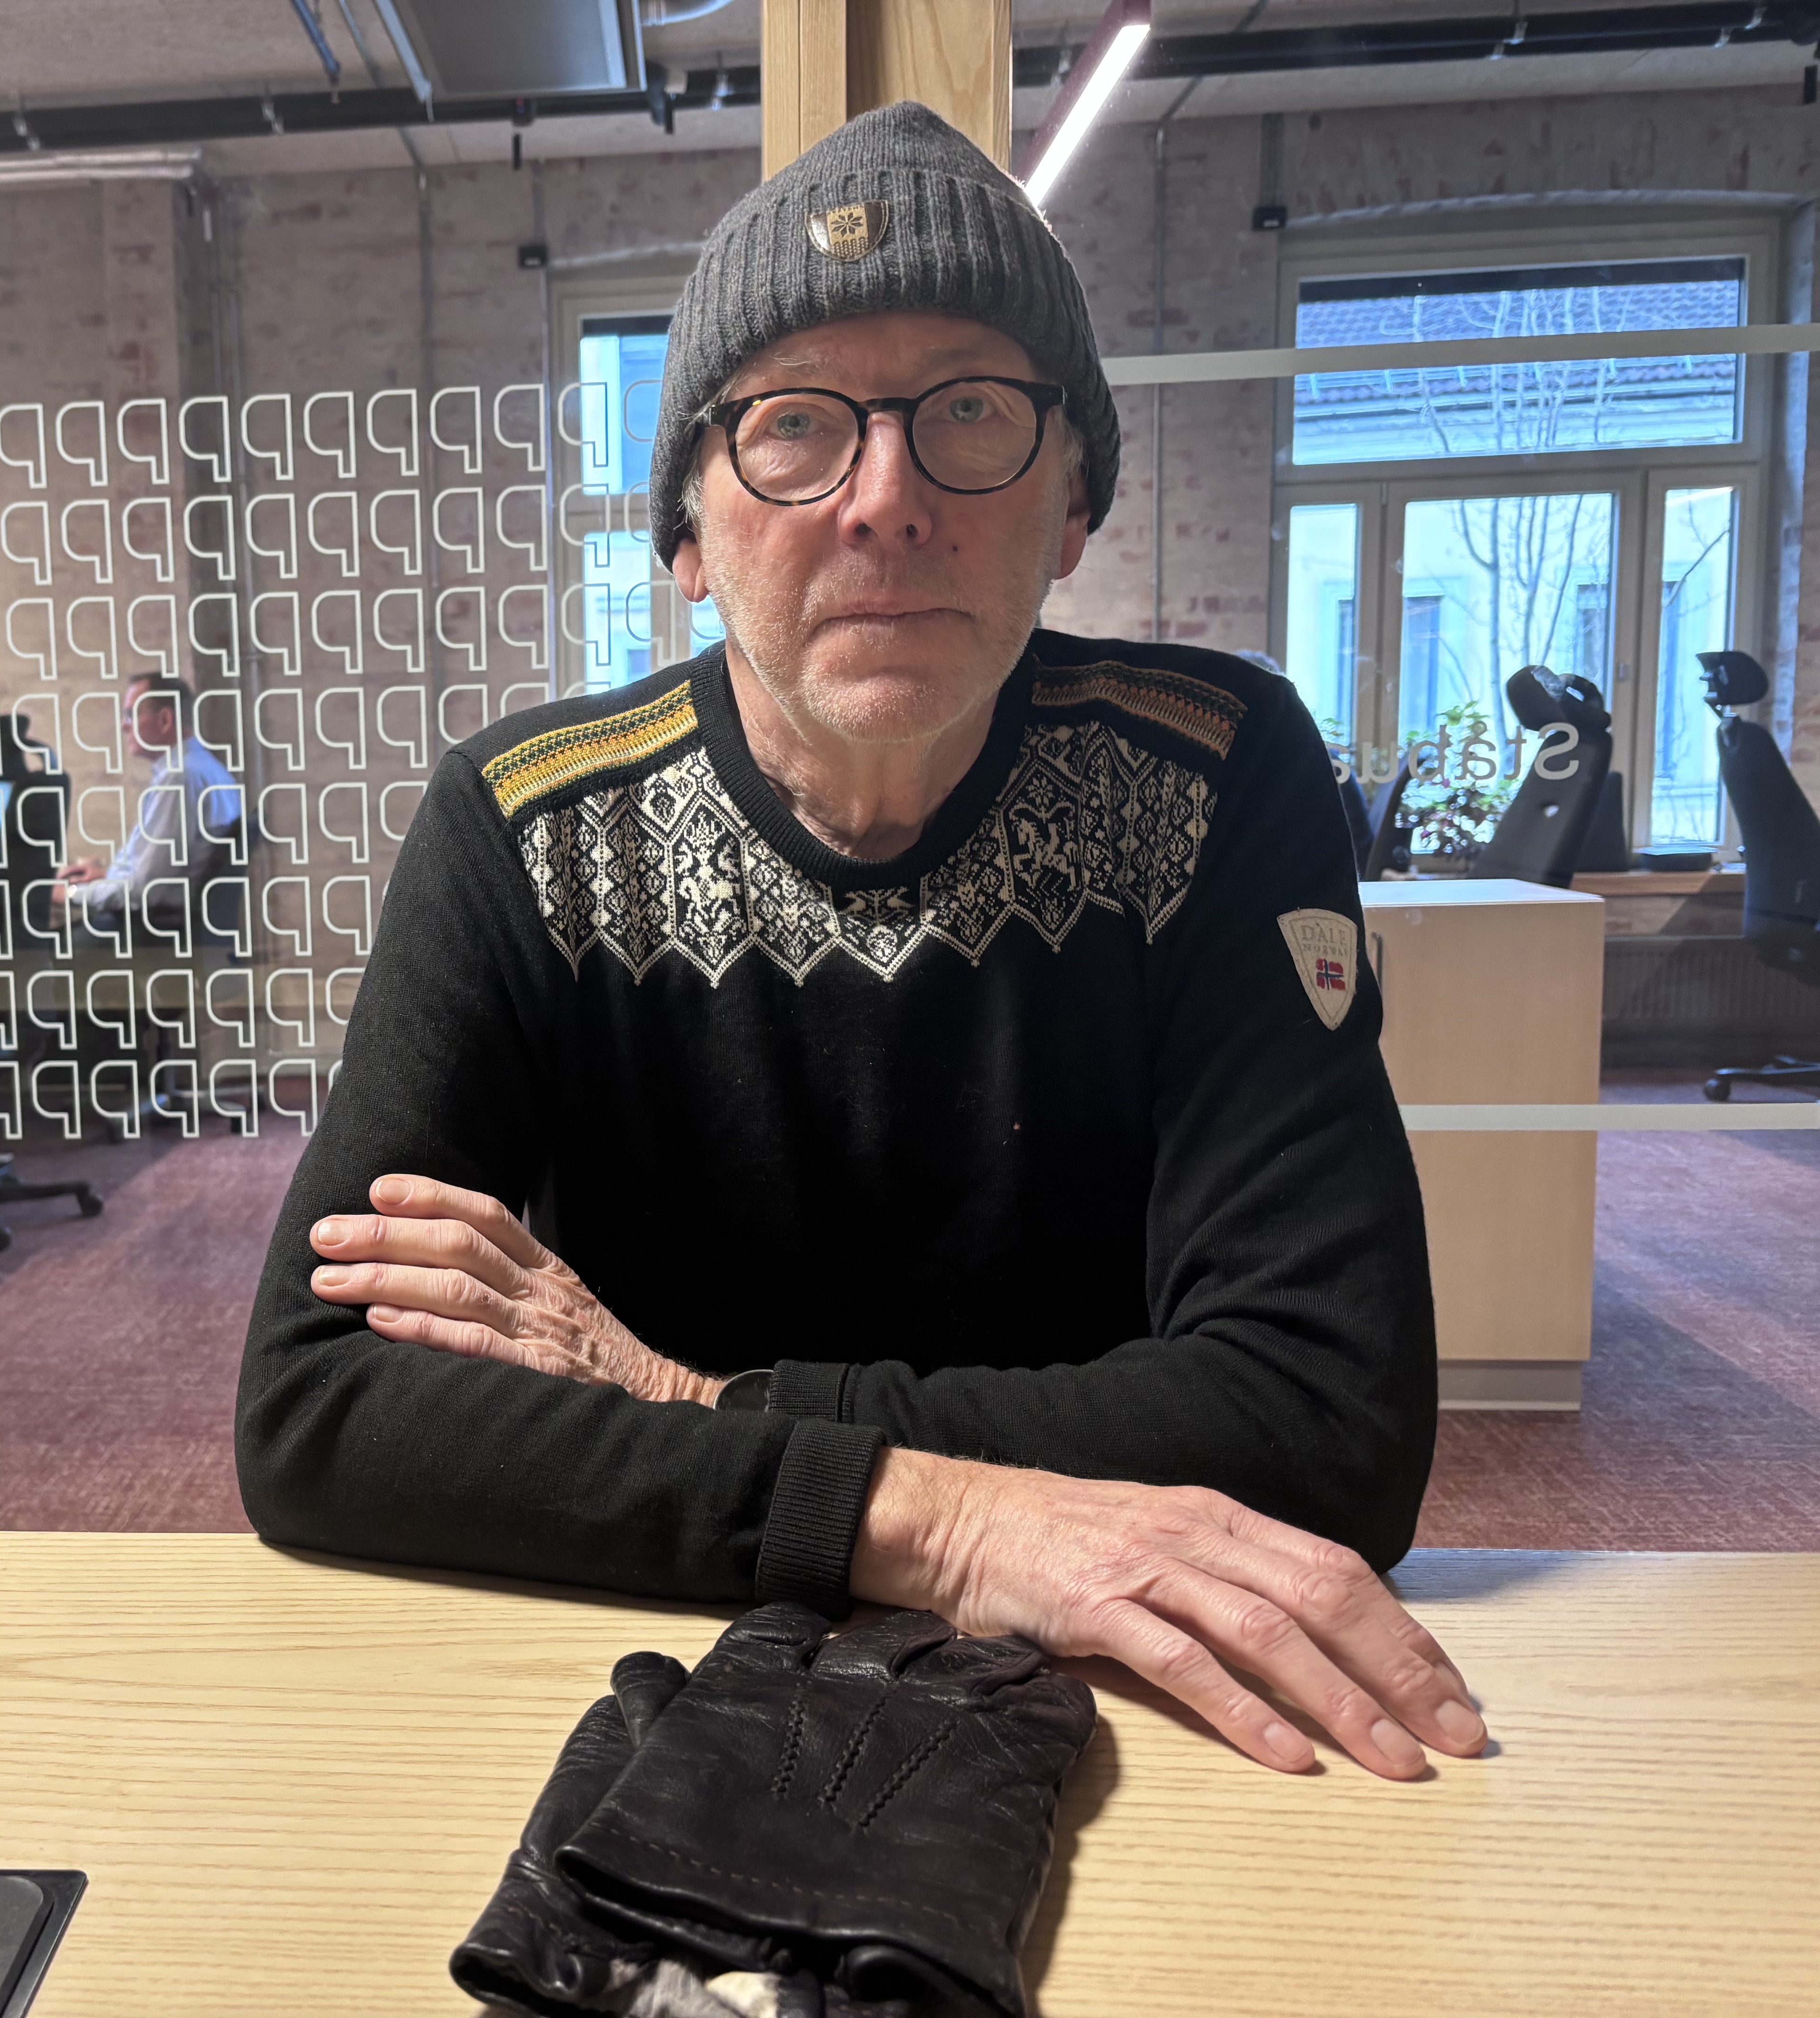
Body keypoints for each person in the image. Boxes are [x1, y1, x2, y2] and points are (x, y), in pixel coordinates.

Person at [235, 103, 1485, 1783]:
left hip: (1135, 1702)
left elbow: (1328, 1422)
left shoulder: (1212, 776)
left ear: (1070, 505)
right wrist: (946, 1522)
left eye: (968, 412)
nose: (883, 500)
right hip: (653, 1692)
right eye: (793, 426)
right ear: (686, 536)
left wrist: (684, 1408)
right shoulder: (526, 827)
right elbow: (319, 1411)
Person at [38, 672, 241, 937]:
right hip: (167, 919)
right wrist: (107, 877)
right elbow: (154, 873)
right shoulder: (202, 768)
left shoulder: (179, 778)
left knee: (38, 948)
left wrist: (70, 893)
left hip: (152, 925)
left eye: (131, 715)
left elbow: (144, 891)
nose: (125, 726)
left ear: (165, 720)